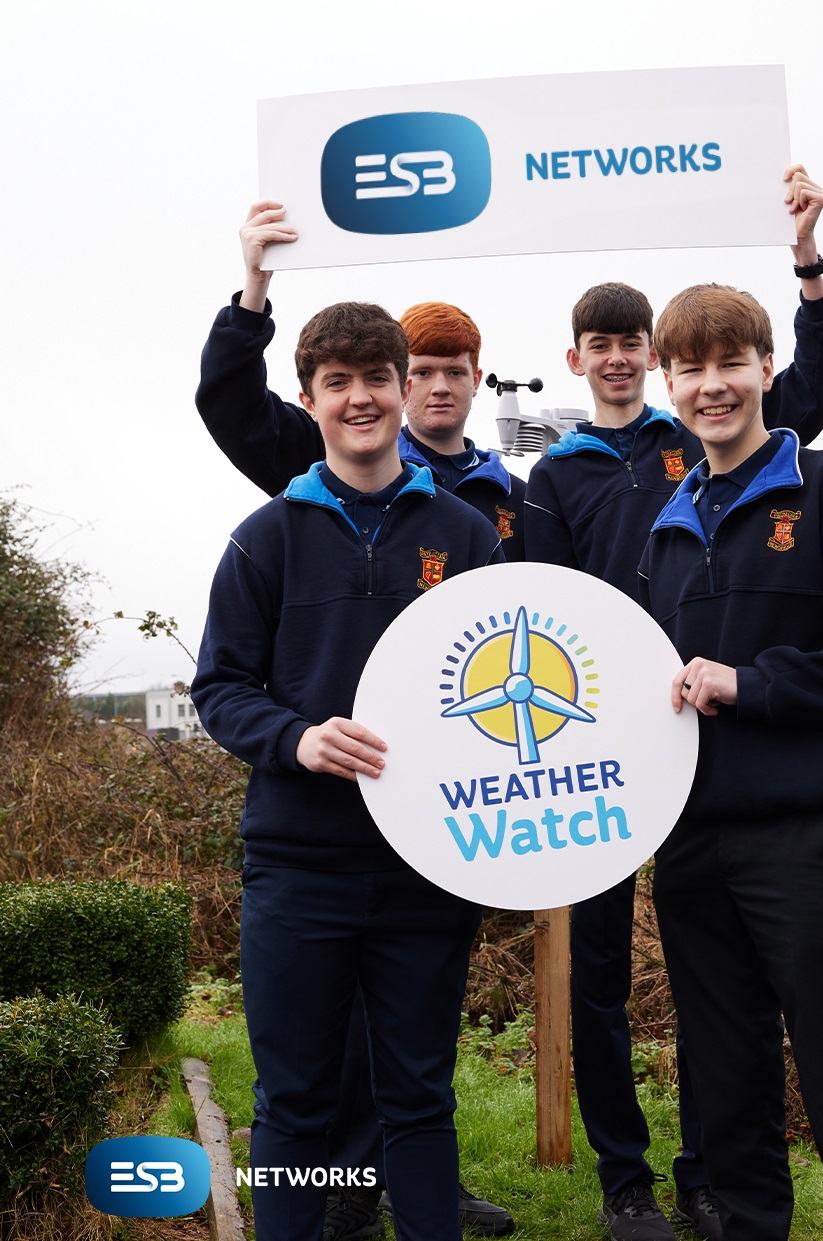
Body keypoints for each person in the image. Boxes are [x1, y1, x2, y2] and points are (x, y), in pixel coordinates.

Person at [523, 167, 823, 1241]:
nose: (618, 357)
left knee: (716, 997)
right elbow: (550, 607)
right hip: (610, 747)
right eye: (601, 343)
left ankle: (709, 1171)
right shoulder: (552, 477)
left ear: (651, 361)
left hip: (715, 746)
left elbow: (807, 392)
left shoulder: (694, 440)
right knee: (603, 973)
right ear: (581, 359)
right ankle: (628, 1178)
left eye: (632, 342)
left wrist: (807, 271)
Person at [196, 206, 519, 1240]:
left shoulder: (466, 531)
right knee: (294, 1100)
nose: (362, 396)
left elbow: (499, 681)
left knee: (419, 1096)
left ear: (400, 385)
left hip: (428, 863)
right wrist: (296, 738)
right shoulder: (264, 537)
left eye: (375, 376)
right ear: (310, 401)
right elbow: (221, 686)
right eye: (337, 382)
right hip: (297, 867)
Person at [638, 282, 823, 1241]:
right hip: (688, 846)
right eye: (690, 368)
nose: (711, 386)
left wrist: (750, 685)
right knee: (725, 1086)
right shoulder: (665, 529)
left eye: (730, 363)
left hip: (804, 839)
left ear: (767, 369)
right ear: (666, 382)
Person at [196, 201, 526, 559]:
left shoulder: (524, 500)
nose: (441, 387)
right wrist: (254, 289)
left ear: (477, 379)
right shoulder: (334, 454)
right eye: (424, 371)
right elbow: (233, 405)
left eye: (455, 372)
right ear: (406, 382)